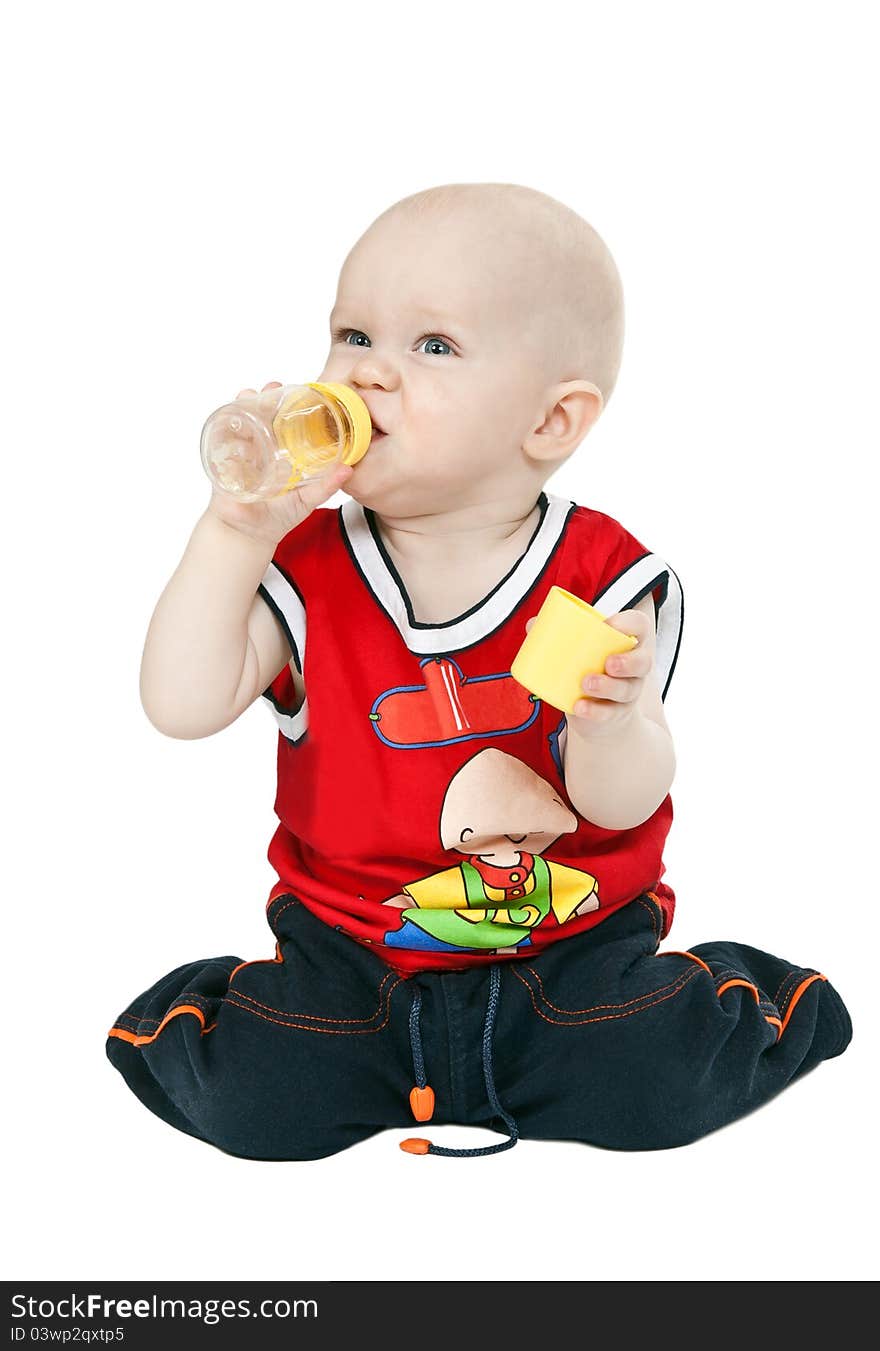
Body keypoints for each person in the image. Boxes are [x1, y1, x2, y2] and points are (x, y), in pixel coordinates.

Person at [106, 182, 851, 1160]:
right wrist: (234, 530)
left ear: (549, 422)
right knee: (256, 1107)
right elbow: (180, 703)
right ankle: (249, 1019)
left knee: (652, 1090)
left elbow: (620, 804)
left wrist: (611, 726)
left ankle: (733, 995)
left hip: (568, 949)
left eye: (433, 347)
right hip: (352, 952)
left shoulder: (598, 578)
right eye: (353, 334)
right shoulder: (305, 567)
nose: (367, 375)